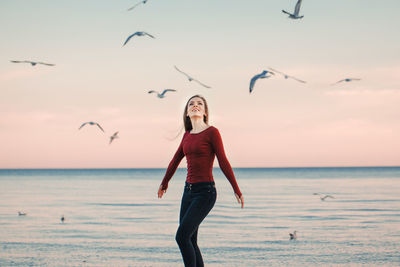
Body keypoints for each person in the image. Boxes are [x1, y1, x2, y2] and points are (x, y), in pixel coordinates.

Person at [157, 94, 244, 267]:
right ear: (187, 113)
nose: (195, 105)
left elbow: (223, 160)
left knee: (181, 237)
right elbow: (175, 160)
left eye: (199, 104)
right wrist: (164, 183)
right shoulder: (187, 135)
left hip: (205, 193)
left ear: (204, 112)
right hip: (188, 192)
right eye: (191, 104)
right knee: (190, 239)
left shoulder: (212, 132)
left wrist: (236, 189)